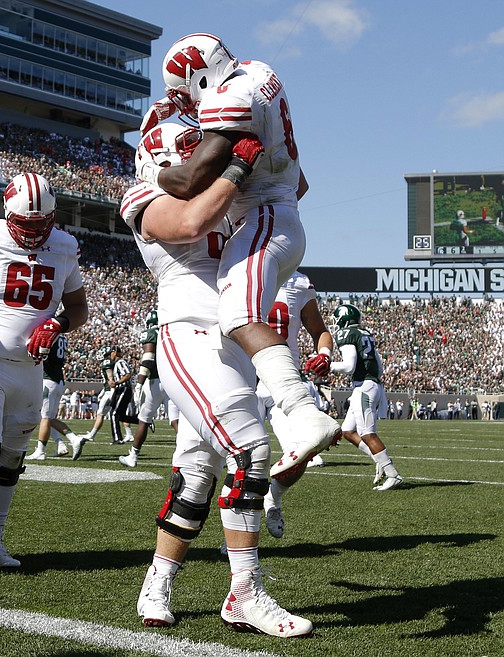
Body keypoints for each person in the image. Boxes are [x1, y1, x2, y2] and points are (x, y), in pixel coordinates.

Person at [124, 122, 312, 637]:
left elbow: (294, 185)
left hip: (235, 335)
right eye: (195, 154)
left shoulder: (233, 188)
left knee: (196, 474)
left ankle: (158, 580)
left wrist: (269, 133)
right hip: (189, 331)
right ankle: (245, 593)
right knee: (251, 451)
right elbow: (188, 223)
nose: (204, 161)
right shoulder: (142, 195)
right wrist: (237, 166)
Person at [136, 33, 340, 480]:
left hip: (264, 219)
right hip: (282, 214)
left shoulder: (229, 97)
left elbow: (188, 183)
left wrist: (157, 169)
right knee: (241, 318)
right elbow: (301, 184)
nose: (190, 103)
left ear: (197, 76)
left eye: (187, 90)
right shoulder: (259, 73)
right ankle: (291, 448)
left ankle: (304, 415)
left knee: (236, 312)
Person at [0, 172, 88, 577]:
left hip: (30, 371)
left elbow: (78, 310)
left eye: (39, 225)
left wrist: (57, 324)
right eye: (25, 225)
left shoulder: (63, 246)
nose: (32, 233)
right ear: (8, 214)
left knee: (12, 459)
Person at [257, 271, 335, 538]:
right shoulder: (234, 267)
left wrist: (324, 353)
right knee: (245, 461)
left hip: (284, 379)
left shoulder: (299, 282)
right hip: (245, 377)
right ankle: (239, 537)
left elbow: (320, 330)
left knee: (299, 456)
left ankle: (273, 498)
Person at [330, 303, 403, 491]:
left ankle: (393, 474)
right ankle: (379, 460)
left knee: (367, 433)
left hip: (364, 386)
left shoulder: (346, 334)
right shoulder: (365, 333)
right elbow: (379, 366)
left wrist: (327, 365)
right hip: (373, 384)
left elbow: (348, 366)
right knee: (347, 431)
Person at [119, 309, 176, 468]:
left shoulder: (151, 332)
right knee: (175, 419)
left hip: (155, 380)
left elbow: (148, 359)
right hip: (173, 379)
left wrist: (139, 383)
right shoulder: (171, 331)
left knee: (144, 420)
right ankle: (187, 454)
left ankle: (133, 456)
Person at [25, 334, 85, 461]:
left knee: (45, 418)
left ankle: (41, 451)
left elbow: (33, 350)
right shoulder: (61, 336)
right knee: (49, 418)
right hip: (58, 380)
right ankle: (61, 444)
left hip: (49, 380)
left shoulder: (49, 335)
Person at [76, 345, 117, 451]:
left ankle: (92, 435)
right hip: (108, 391)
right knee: (109, 414)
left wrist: (111, 392)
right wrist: (103, 392)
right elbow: (107, 381)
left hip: (110, 392)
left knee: (101, 414)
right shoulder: (109, 363)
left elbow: (110, 379)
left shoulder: (107, 363)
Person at [109, 346, 139, 445]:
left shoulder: (120, 363)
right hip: (122, 389)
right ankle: (143, 421)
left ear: (115, 352)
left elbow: (127, 374)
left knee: (114, 414)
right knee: (120, 416)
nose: (110, 355)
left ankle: (117, 438)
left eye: (111, 353)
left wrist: (117, 383)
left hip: (123, 388)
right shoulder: (118, 363)